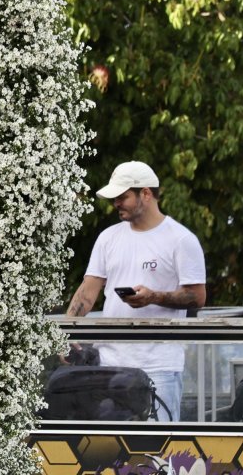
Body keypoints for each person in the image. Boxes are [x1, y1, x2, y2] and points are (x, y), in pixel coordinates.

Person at [66, 161, 207, 422]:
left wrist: (154, 296)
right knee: (107, 451)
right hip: (108, 364)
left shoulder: (180, 239)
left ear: (145, 193)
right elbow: (88, 290)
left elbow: (197, 297)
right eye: (114, 198)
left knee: (157, 454)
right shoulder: (108, 237)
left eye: (122, 197)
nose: (116, 203)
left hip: (159, 366)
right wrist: (67, 332)